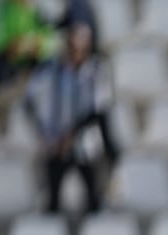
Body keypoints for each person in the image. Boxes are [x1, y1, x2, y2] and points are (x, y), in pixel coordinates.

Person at [25, 23, 117, 217]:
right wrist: (43, 133)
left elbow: (99, 110)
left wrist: (71, 136)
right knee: (52, 201)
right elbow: (31, 102)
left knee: (93, 199)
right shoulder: (51, 70)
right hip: (55, 145)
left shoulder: (98, 70)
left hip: (85, 145)